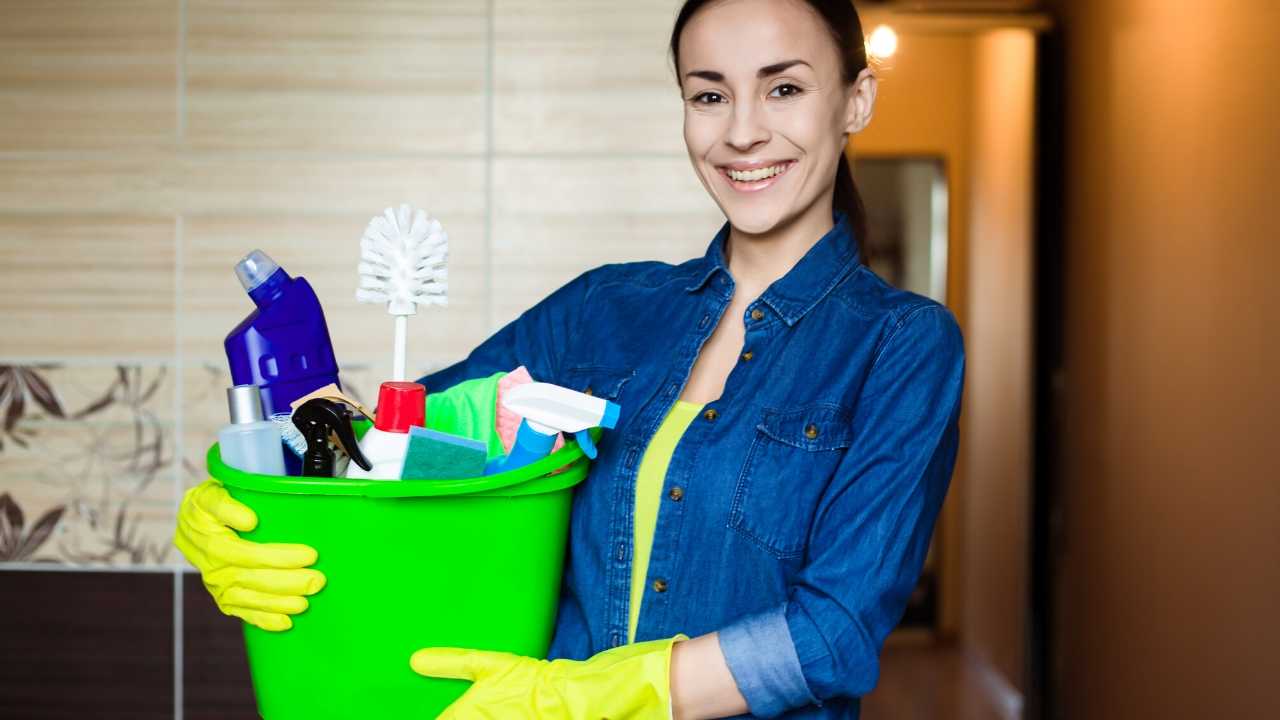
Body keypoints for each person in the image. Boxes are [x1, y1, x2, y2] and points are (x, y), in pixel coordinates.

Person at [175, 0, 965, 717]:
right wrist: (248, 505)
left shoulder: (902, 345)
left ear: (855, 100)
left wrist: (589, 695)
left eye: (784, 88)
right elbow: (387, 451)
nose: (743, 131)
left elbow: (834, 630)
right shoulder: (602, 312)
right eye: (710, 94)